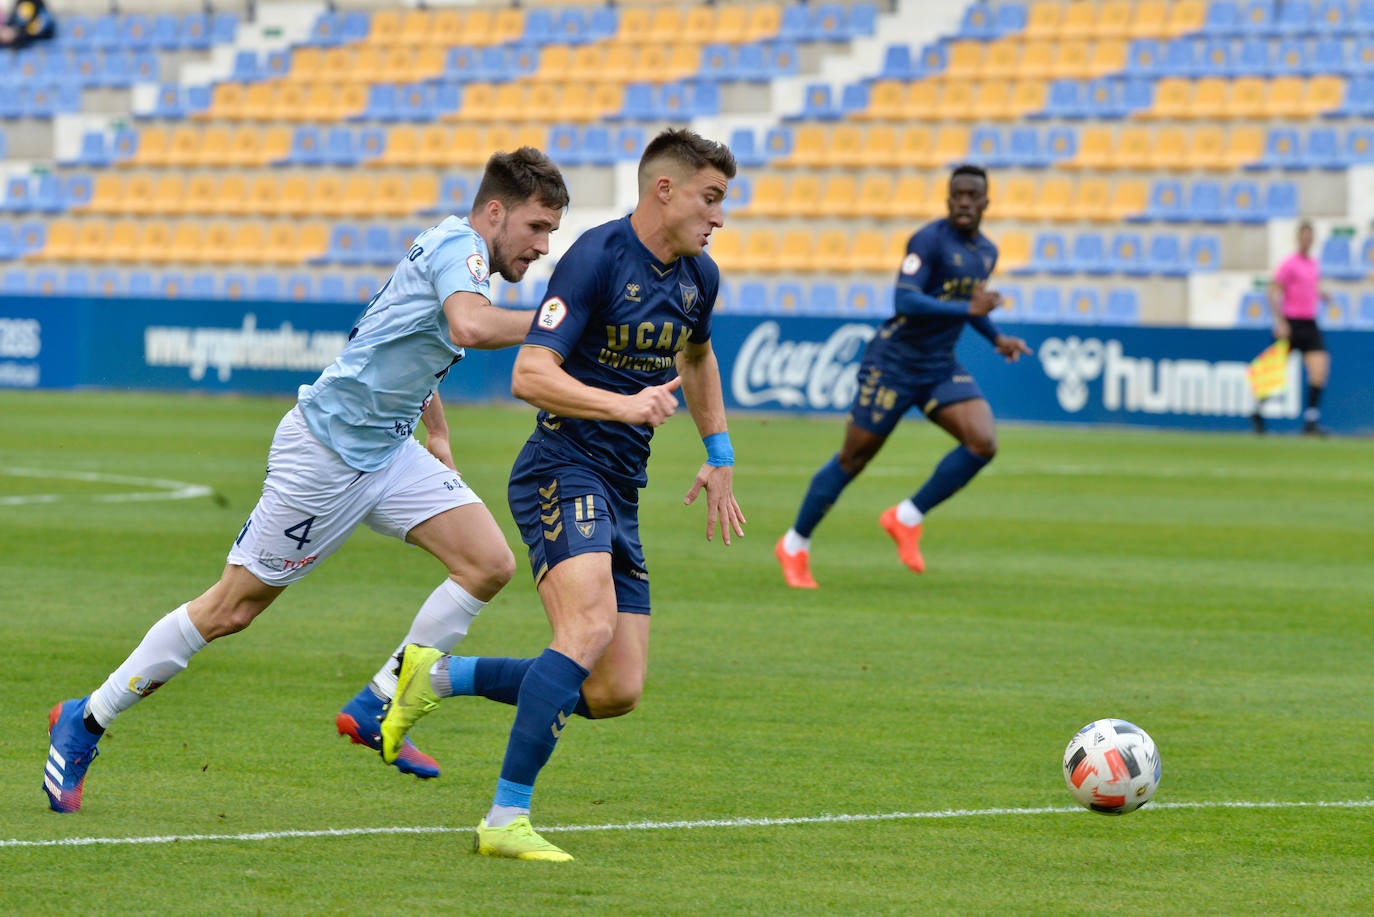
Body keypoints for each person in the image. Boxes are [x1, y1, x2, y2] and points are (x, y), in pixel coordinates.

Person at [43, 148, 571, 813]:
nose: (543, 247)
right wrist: (561, 321)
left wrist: (436, 434)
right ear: (495, 211)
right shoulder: (460, 251)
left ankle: (378, 702)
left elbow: (397, 340)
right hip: (324, 455)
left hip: (388, 449)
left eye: (550, 232)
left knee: (488, 562)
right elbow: (466, 325)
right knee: (232, 607)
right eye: (537, 228)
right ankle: (86, 718)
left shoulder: (454, 253)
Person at [377, 128, 745, 862]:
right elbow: (531, 375)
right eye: (711, 198)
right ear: (663, 190)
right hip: (560, 464)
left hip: (620, 483)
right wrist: (626, 405)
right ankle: (505, 817)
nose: (720, 217)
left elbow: (697, 356)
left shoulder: (699, 277)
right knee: (585, 627)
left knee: (615, 688)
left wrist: (719, 450)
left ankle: (436, 675)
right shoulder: (595, 260)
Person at [775, 164, 1030, 589]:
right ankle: (794, 544)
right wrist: (969, 311)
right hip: (893, 362)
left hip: (938, 364)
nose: (964, 202)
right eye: (957, 195)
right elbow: (906, 301)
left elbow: (969, 305)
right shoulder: (927, 241)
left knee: (983, 442)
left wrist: (997, 338)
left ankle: (905, 517)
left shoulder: (987, 251)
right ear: (948, 200)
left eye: (973, 195)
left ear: (986, 202)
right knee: (853, 459)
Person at [1251, 219, 1332, 437]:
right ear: (1298, 238)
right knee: (1275, 372)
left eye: (1310, 236)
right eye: (1303, 236)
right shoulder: (1289, 264)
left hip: (1309, 322)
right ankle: (1257, 411)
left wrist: (1321, 295)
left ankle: (1311, 420)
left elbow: (1308, 289)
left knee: (1319, 369)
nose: (1307, 240)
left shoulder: (1313, 264)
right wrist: (1280, 321)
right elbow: (1272, 291)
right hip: (1291, 322)